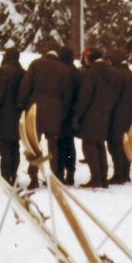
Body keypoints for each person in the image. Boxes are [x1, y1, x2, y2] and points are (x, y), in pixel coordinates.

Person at [17, 43, 73, 189]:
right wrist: (64, 112)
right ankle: (52, 176)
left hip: (35, 111)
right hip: (55, 111)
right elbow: (67, 94)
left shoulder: (36, 64)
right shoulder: (64, 69)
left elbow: (25, 86)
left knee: (33, 145)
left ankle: (33, 177)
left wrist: (22, 106)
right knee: (52, 146)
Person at [72, 47, 122, 188]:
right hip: (106, 114)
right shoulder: (111, 72)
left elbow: (85, 96)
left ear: (89, 58)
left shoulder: (91, 73)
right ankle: (103, 178)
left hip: (90, 114)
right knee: (100, 145)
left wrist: (77, 115)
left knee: (89, 146)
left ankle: (95, 178)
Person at [0, 47, 24, 186]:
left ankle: (4, 176)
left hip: (3, 116)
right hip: (17, 117)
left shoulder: (3, 72)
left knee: (4, 149)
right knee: (15, 147)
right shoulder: (22, 72)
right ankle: (14, 176)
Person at [106, 47, 132, 184]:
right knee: (124, 144)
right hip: (128, 114)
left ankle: (119, 174)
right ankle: (125, 172)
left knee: (115, 145)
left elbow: (112, 96)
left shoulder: (116, 74)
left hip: (116, 115)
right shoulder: (131, 74)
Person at [56, 46, 80, 184]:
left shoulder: (61, 71)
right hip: (73, 113)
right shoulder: (76, 72)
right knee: (69, 145)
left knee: (59, 145)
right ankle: (70, 173)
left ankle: (59, 172)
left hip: (62, 113)